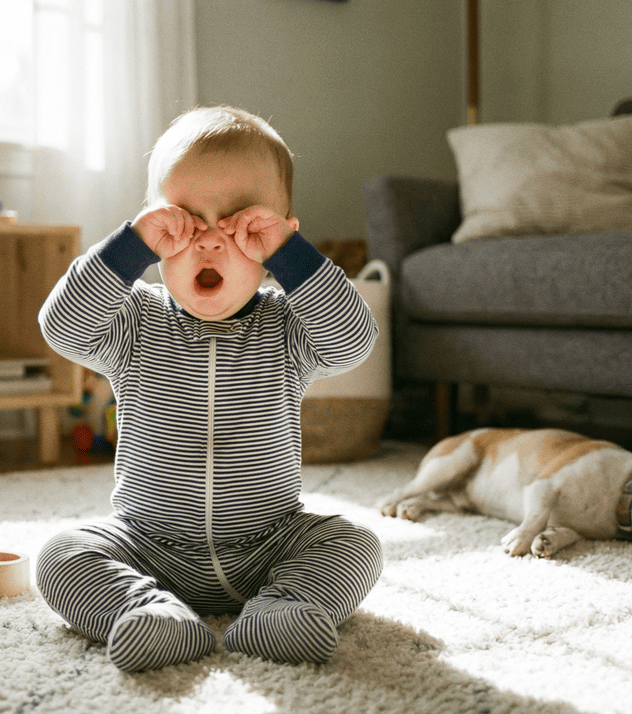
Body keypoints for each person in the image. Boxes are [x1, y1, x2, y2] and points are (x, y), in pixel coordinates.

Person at [36, 105, 383, 672]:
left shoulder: (289, 327)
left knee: (357, 544)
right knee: (59, 556)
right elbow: (63, 327)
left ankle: (285, 610)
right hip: (146, 545)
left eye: (243, 223)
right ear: (152, 229)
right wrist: (127, 249)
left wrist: (293, 259)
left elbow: (353, 341)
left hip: (269, 547)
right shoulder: (134, 322)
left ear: (278, 243)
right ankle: (147, 615)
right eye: (184, 220)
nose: (210, 241)